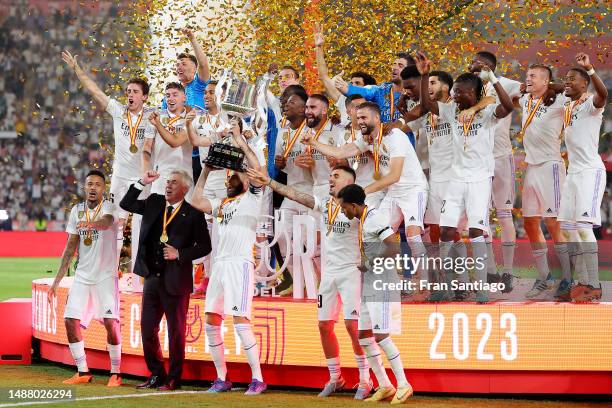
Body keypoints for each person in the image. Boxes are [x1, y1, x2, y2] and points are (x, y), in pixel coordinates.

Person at [246, 165, 373, 400]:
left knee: (352, 325)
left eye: (336, 176)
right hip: (329, 272)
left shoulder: (359, 207)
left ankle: (366, 378)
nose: (330, 179)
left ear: (350, 180)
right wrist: (269, 182)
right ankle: (336, 377)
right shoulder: (325, 204)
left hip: (351, 271)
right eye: (330, 175)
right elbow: (296, 195)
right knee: (324, 325)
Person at [415, 51, 515, 303]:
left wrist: (493, 78)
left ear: (476, 94)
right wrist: (425, 74)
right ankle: (449, 286)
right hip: (455, 180)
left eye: (462, 92)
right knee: (447, 230)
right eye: (456, 91)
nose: (457, 96)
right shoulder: (450, 111)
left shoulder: (488, 113)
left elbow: (509, 106)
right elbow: (427, 106)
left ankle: (481, 287)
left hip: (480, 180)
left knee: (476, 231)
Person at [301, 102, 429, 298]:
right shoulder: (367, 139)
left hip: (414, 190)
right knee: (379, 233)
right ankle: (385, 281)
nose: (360, 121)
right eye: (358, 118)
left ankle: (425, 283)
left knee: (412, 235)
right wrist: (313, 142)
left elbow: (394, 175)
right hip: (394, 193)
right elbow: (341, 152)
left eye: (364, 118)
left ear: (377, 118)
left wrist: (363, 190)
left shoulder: (395, 137)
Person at [190, 131, 267, 395]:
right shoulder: (222, 203)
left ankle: (257, 378)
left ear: (247, 180)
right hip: (220, 265)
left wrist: (239, 141)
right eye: (229, 175)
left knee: (240, 319)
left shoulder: (253, 198)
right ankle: (222, 377)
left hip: (240, 265)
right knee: (211, 318)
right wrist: (206, 171)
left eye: (235, 175)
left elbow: (256, 169)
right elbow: (195, 200)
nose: (230, 177)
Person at [61, 50, 154, 269]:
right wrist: (77, 69)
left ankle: (138, 272)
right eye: (127, 91)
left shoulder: (152, 116)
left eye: (134, 91)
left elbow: (150, 146)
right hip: (121, 176)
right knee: (114, 220)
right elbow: (95, 90)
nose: (129, 94)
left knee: (143, 223)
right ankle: (109, 268)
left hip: (142, 176)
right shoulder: (118, 111)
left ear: (145, 96)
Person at [120, 170, 211, 391]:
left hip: (176, 280)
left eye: (174, 183)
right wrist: (142, 182)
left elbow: (205, 246)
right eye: (168, 182)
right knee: (147, 327)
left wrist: (179, 253)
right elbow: (126, 203)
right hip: (152, 277)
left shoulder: (193, 214)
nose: (168, 185)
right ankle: (156, 373)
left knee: (176, 331)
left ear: (185, 189)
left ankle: (174, 378)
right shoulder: (154, 202)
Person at [337, 183, 413, 404]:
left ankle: (404, 384)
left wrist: (371, 262)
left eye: (344, 208)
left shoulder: (376, 218)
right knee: (364, 337)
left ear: (353, 205)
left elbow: (393, 246)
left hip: (383, 284)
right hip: (369, 285)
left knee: (381, 336)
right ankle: (385, 385)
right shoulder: (364, 220)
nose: (343, 212)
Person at [48, 170, 121, 387]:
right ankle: (83, 371)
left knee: (110, 322)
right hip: (82, 275)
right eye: (89, 184)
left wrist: (92, 225)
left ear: (103, 189)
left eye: (98, 184)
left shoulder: (109, 207)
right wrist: (57, 280)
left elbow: (107, 222)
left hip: (105, 276)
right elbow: (70, 247)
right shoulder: (76, 211)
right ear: (84, 187)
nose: (92, 188)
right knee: (70, 320)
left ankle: (116, 372)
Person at [515, 64, 572, 299]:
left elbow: (573, 89)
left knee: (553, 223)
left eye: (533, 76)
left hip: (551, 166)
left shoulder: (560, 100)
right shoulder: (525, 99)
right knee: (529, 223)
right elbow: (503, 85)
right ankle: (545, 276)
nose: (527, 78)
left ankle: (568, 278)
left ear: (546, 80)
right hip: (532, 167)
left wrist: (551, 87)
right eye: (527, 75)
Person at [468, 51, 522, 291]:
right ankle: (490, 271)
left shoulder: (507, 83)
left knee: (504, 214)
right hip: (477, 161)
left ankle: (508, 272)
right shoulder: (468, 87)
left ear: (487, 66)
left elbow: (534, 91)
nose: (470, 66)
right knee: (481, 216)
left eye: (474, 63)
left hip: (501, 157)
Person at [558, 53, 607, 302]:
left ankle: (593, 284)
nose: (566, 82)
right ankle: (581, 281)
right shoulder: (569, 106)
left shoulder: (590, 104)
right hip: (573, 173)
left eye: (571, 80)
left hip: (590, 171)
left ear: (584, 84)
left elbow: (604, 95)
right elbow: (558, 88)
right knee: (568, 229)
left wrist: (589, 69)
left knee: (584, 228)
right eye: (565, 79)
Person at [144, 82, 194, 195]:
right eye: (168, 95)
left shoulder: (191, 118)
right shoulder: (156, 116)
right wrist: (146, 169)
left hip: (184, 178)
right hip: (160, 177)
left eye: (175, 95)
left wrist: (158, 124)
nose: (170, 98)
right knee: (158, 212)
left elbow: (175, 142)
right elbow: (147, 147)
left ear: (184, 97)